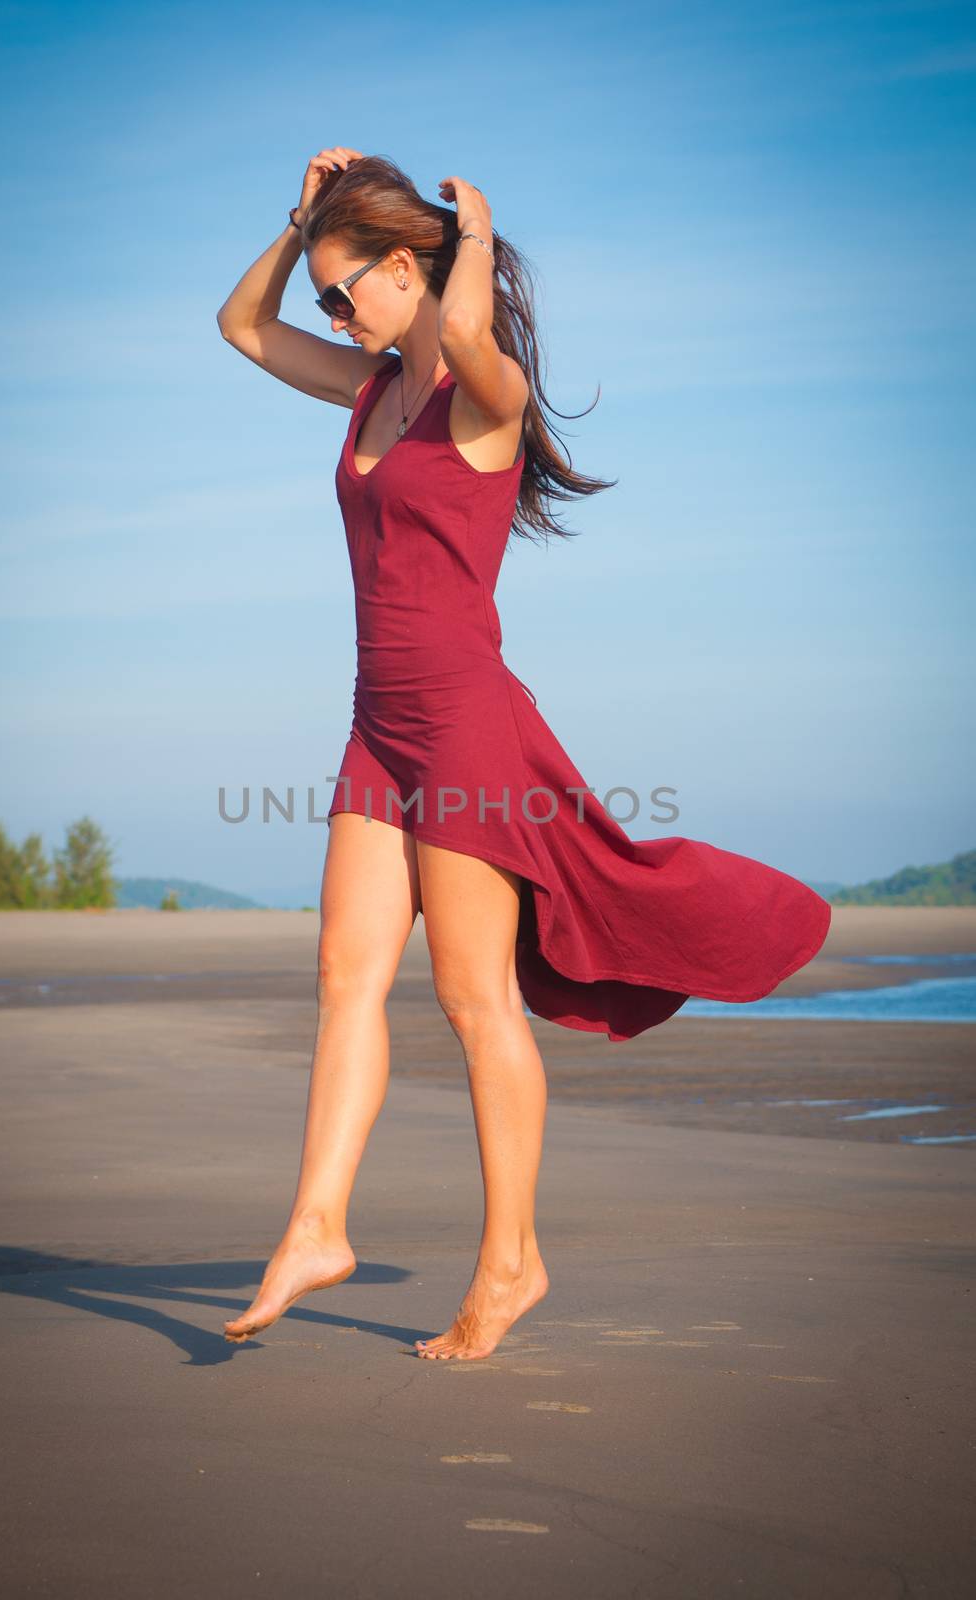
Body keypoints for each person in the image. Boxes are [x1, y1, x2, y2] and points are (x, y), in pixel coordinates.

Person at [215, 149, 832, 1359]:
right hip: (376, 724)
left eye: (346, 294)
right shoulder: (367, 391)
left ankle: (511, 1264)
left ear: (410, 270)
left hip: (464, 729)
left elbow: (474, 338)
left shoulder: (483, 404)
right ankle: (316, 1225)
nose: (329, 317)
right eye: (328, 301)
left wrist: (476, 245)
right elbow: (242, 327)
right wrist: (299, 229)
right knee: (345, 976)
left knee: (469, 994)